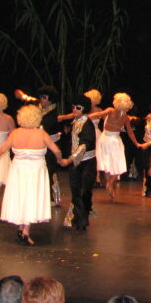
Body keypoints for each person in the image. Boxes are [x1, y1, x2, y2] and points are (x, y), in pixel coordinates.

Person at [0, 104, 67, 245]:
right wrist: (61, 160)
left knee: (21, 196)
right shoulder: (41, 134)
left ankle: (21, 227)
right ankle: (25, 231)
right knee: (31, 197)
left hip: (18, 170)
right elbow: (56, 150)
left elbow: (2, 149)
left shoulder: (15, 133)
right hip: (35, 170)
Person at [88, 93, 140, 202]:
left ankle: (110, 187)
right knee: (118, 165)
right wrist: (137, 143)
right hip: (114, 141)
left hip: (105, 139)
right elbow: (130, 133)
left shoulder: (111, 110)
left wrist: (84, 117)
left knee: (108, 165)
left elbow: (98, 114)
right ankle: (110, 183)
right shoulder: (125, 117)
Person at [59, 95, 96, 231]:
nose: (74, 109)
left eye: (78, 107)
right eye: (73, 107)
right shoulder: (76, 121)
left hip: (86, 163)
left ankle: (81, 219)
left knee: (83, 191)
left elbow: (84, 145)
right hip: (77, 162)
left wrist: (70, 159)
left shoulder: (87, 124)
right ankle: (79, 219)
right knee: (76, 191)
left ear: (84, 109)